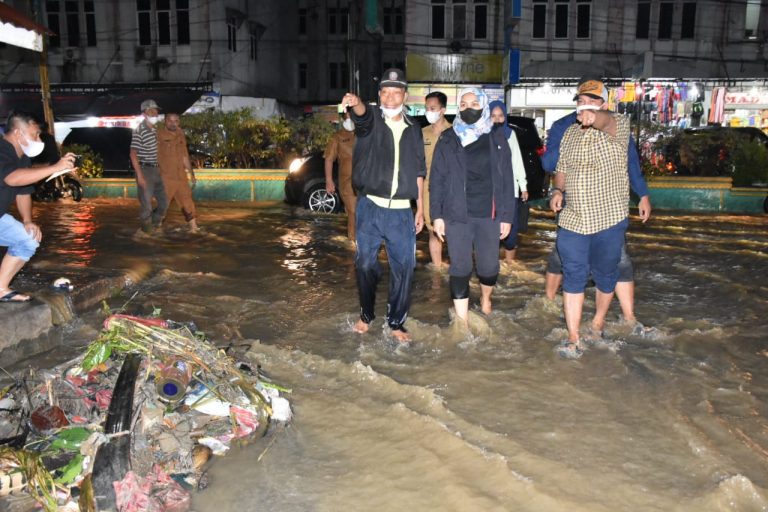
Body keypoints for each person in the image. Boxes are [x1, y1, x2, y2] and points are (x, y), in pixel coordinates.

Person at [543, 77, 652, 332]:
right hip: (573, 213)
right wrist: (558, 190)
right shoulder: (565, 129)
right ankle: (571, 334)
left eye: (592, 101)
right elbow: (555, 165)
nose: (585, 105)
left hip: (608, 215)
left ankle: (610, 320)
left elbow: (630, 160)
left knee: (612, 267)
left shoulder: (618, 124)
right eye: (581, 100)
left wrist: (643, 194)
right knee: (569, 267)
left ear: (604, 103)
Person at [342, 68, 426, 343]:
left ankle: (396, 323)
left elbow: (419, 171)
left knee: (405, 268)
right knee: (365, 265)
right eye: (385, 92)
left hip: (402, 212)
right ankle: (366, 314)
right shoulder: (372, 122)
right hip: (370, 208)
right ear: (379, 95)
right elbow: (362, 116)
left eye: (396, 92)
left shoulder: (414, 129)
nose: (390, 98)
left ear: (405, 95)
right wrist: (356, 103)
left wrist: (420, 208)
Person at [430, 88, 515, 326]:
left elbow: (508, 179)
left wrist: (507, 216)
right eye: (464, 104)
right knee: (460, 267)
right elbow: (436, 179)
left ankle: (486, 298)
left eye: (474, 103)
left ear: (484, 106)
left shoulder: (497, 138)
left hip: (489, 214)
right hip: (457, 214)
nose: (469, 108)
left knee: (488, 268)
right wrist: (437, 215)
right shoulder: (448, 138)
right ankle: (462, 321)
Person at [0, 111, 75, 302]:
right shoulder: (1, 150)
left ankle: (1, 289)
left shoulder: (22, 157)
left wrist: (27, 221)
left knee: (28, 239)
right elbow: (12, 179)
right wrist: (54, 168)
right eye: (35, 135)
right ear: (18, 133)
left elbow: (23, 191)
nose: (39, 140)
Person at [488, 100, 528, 263]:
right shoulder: (483, 135)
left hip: (510, 191)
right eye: (493, 116)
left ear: (505, 117)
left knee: (511, 234)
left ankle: (510, 266)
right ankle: (490, 266)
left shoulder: (510, 135)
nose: (497, 119)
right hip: (489, 192)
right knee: (489, 232)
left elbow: (517, 162)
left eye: (501, 116)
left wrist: (523, 186)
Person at [422, 91, 452, 268]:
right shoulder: (422, 133)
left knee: (453, 229)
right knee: (433, 230)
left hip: (451, 188)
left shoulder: (454, 132)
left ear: (443, 110)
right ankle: (437, 269)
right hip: (429, 189)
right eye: (426, 108)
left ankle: (456, 268)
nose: (429, 111)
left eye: (432, 108)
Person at [130, 99, 168, 233]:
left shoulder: (156, 129)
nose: (155, 114)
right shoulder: (139, 130)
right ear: (144, 114)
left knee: (164, 203)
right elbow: (133, 154)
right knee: (146, 206)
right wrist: (140, 176)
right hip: (146, 170)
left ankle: (154, 227)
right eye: (152, 111)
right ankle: (146, 233)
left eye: (156, 111)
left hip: (159, 170)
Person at [157, 112, 199, 232]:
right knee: (163, 203)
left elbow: (184, 156)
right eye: (170, 121)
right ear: (165, 121)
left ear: (179, 122)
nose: (173, 123)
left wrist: (191, 174)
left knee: (187, 200)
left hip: (181, 176)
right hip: (166, 176)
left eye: (176, 121)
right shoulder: (158, 135)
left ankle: (194, 228)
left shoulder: (181, 135)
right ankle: (154, 228)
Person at [324, 111, 357, 241]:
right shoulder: (337, 137)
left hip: (365, 181)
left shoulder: (364, 133)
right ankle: (353, 242)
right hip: (347, 182)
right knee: (353, 211)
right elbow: (329, 159)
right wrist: (329, 181)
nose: (350, 120)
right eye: (347, 117)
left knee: (365, 214)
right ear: (343, 118)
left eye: (352, 117)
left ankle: (364, 244)